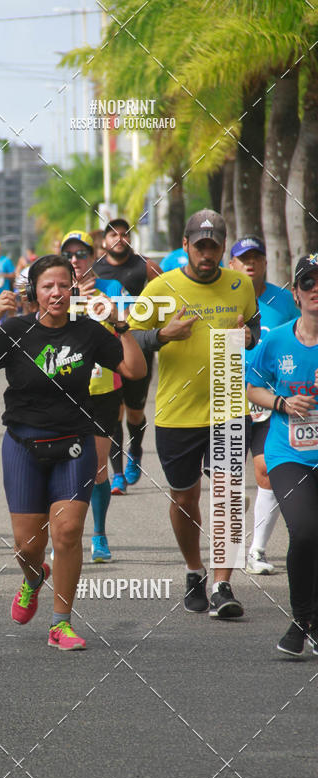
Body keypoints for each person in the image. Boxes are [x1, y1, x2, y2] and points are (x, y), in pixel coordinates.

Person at [0, 254, 146, 650]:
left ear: (73, 289)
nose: (57, 293)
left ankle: (61, 623)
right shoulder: (15, 330)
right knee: (28, 546)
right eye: (48, 286)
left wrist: (120, 324)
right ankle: (33, 578)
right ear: (34, 291)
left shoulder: (89, 332)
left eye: (64, 285)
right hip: (23, 445)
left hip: (75, 443)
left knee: (67, 533)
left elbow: (134, 370)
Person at [128, 209, 259, 617]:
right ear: (185, 246)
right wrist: (162, 335)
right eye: (200, 246)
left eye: (214, 246)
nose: (207, 254)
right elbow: (127, 339)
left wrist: (248, 336)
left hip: (227, 405)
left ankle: (222, 585)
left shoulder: (240, 284)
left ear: (223, 248)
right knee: (185, 498)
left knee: (228, 497)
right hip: (177, 410)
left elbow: (252, 329)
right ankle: (193, 569)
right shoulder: (162, 288)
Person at [247, 253, 318, 656]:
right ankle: (299, 620)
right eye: (308, 282)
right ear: (295, 293)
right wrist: (280, 402)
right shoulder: (277, 339)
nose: (315, 289)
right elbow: (251, 385)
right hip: (288, 452)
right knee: (306, 532)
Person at [59, 230, 133, 563]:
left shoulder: (112, 288)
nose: (76, 260)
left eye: (81, 254)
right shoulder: (56, 292)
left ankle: (99, 535)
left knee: (97, 469)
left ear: (93, 257)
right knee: (62, 466)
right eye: (69, 255)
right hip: (64, 388)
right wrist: (70, 299)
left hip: (104, 390)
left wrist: (97, 306)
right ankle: (63, 533)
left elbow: (125, 329)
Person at [229, 234, 300, 575]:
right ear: (232, 264)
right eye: (244, 258)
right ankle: (221, 560)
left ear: (265, 262)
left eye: (256, 257)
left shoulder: (284, 301)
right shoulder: (222, 296)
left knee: (265, 472)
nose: (250, 263)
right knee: (225, 482)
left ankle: (256, 550)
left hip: (267, 400)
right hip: (225, 397)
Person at [93, 218, 161, 495]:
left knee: (134, 413)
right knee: (114, 412)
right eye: (113, 234)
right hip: (108, 351)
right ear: (104, 241)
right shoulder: (95, 270)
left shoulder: (145, 265)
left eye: (124, 234)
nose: (119, 238)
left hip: (138, 347)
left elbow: (164, 294)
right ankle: (117, 473)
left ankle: (135, 449)